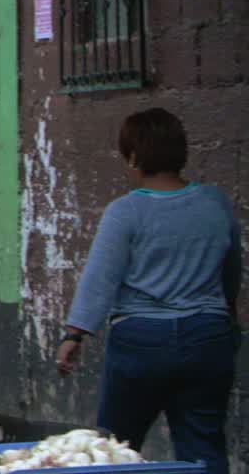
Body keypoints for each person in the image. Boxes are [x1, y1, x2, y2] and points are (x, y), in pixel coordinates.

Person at [58, 108, 241, 474]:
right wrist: (226, 314)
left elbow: (100, 277)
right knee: (203, 448)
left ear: (135, 157)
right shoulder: (215, 203)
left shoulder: (125, 212)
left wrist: (75, 334)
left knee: (115, 449)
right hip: (208, 336)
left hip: (141, 342)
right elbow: (232, 268)